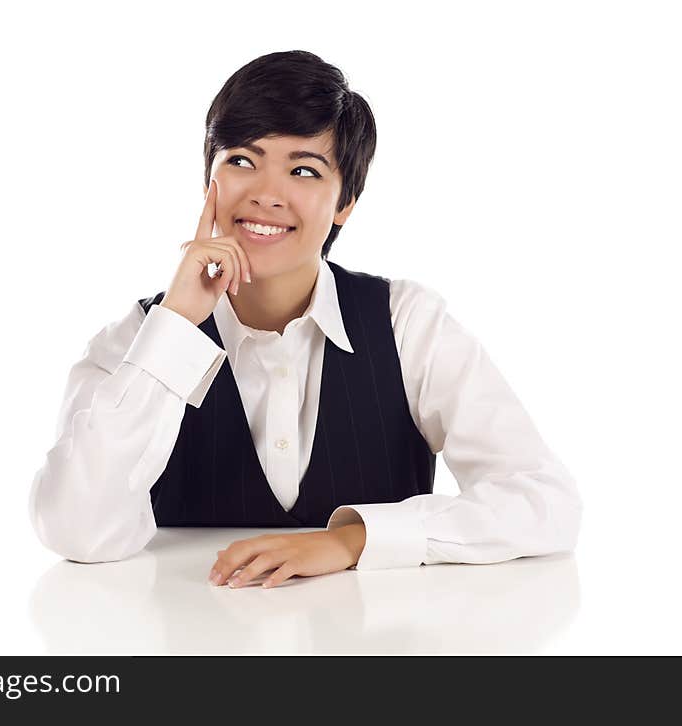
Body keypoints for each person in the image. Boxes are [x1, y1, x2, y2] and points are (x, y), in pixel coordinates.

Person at [28, 50, 583, 589]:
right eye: (242, 161)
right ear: (208, 181)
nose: (268, 194)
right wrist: (175, 326)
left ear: (345, 203)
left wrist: (351, 542)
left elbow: (544, 500)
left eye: (304, 170)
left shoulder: (408, 324)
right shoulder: (137, 339)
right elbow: (76, 530)